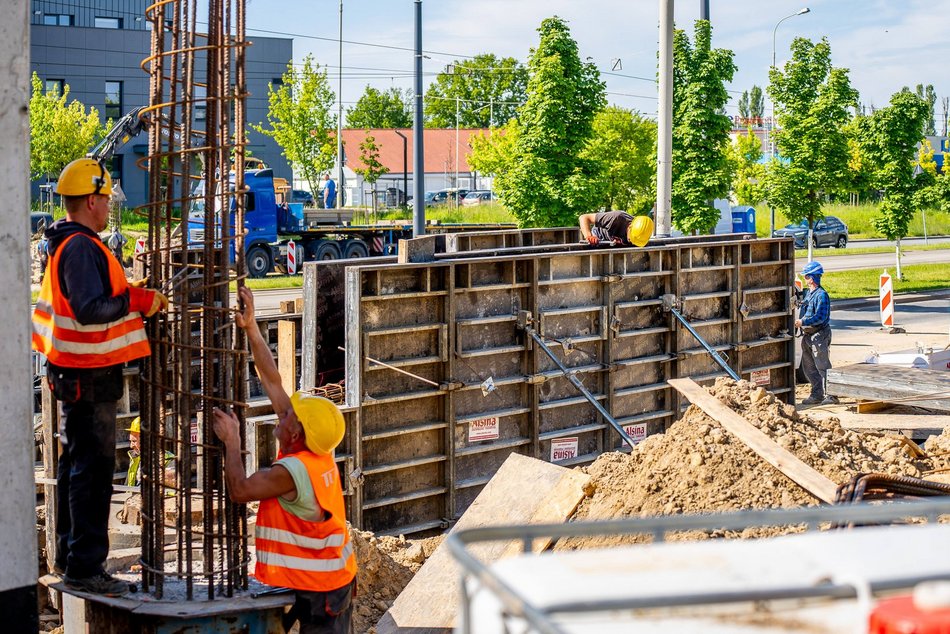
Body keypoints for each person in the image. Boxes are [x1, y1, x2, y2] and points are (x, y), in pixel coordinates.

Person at [31, 157, 168, 596]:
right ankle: (85, 567)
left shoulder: (69, 245)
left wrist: (126, 293)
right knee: (92, 472)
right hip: (86, 376)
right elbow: (90, 310)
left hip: (77, 373)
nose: (109, 206)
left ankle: (74, 557)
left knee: (78, 466)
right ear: (91, 200)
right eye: (106, 199)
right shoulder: (81, 248)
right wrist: (136, 301)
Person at [213, 286, 357, 634]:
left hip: (324, 588)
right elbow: (272, 379)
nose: (284, 413)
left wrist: (232, 442)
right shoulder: (311, 445)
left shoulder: (293, 472)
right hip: (318, 576)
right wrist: (251, 328)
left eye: (290, 417)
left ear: (296, 433)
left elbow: (240, 491)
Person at [794, 261, 836, 405]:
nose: (805, 280)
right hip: (808, 335)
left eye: (806, 277)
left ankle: (831, 395)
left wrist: (802, 322)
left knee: (822, 366)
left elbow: (820, 317)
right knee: (809, 367)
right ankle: (817, 394)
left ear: (811, 278)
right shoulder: (809, 294)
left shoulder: (821, 295)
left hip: (819, 334)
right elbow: (803, 306)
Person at [125, 416, 176, 490]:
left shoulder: (168, 459)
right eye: (131, 441)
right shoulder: (135, 458)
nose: (131, 446)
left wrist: (152, 475)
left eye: (134, 441)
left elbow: (175, 482)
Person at [579, 211, 654, 247]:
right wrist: (589, 236)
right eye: (631, 238)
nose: (632, 241)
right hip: (598, 239)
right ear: (630, 227)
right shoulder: (616, 218)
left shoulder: (641, 234)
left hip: (614, 244)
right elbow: (584, 217)